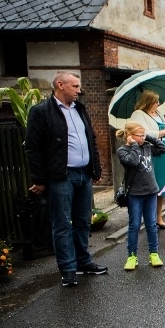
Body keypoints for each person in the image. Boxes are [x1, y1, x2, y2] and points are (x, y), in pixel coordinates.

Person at [25, 71, 107, 287]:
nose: (79, 90)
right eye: (75, 86)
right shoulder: (42, 111)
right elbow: (33, 148)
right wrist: (39, 179)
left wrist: (95, 169)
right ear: (60, 85)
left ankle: (83, 262)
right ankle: (68, 269)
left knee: (83, 221)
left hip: (83, 174)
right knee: (62, 224)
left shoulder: (80, 109)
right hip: (61, 176)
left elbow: (91, 140)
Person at [115, 122, 165, 270]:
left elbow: (163, 148)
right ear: (129, 136)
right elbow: (133, 161)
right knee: (134, 225)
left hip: (151, 191)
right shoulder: (123, 150)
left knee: (151, 224)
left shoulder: (147, 147)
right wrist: (134, 145)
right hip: (135, 194)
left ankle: (154, 254)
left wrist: (147, 136)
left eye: (144, 135)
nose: (143, 138)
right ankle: (132, 256)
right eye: (140, 135)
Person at [130, 90, 165, 229]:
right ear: (148, 101)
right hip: (151, 152)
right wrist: (162, 132)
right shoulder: (138, 114)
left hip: (164, 150)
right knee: (152, 184)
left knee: (161, 186)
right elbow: (141, 132)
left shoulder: (159, 113)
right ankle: (149, 218)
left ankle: (159, 217)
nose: (158, 104)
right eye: (156, 101)